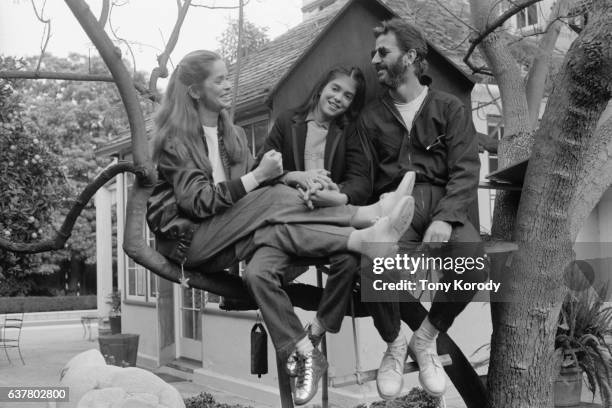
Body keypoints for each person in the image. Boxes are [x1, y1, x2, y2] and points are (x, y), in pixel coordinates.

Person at [145, 50, 416, 406]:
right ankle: (367, 217)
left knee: (261, 269)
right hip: (191, 241)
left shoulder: (233, 134)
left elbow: (245, 203)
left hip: (244, 232)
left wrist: (304, 190)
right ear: (195, 91)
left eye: (229, 77)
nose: (228, 86)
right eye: (220, 80)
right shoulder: (176, 139)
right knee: (274, 194)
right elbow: (199, 202)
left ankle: (305, 350)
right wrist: (268, 177)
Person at [357, 19, 485, 399]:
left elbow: (466, 169)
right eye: (374, 53)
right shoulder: (370, 118)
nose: (375, 60)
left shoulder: (449, 107)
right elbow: (362, 180)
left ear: (410, 56)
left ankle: (426, 337)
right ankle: (396, 344)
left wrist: (446, 218)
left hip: (444, 202)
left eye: (384, 52)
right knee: (373, 261)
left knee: (472, 260)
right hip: (395, 206)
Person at [248, 66, 372, 404]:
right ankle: (303, 351)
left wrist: (333, 193)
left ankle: (313, 336)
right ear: (321, 87)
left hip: (329, 223)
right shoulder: (288, 122)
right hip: (285, 226)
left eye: (348, 96)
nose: (339, 99)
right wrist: (295, 176)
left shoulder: (350, 131)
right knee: (256, 274)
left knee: (349, 259)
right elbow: (259, 173)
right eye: (335, 89)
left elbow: (361, 182)